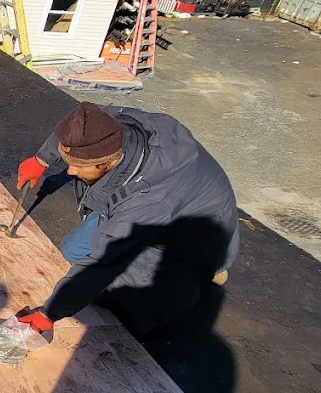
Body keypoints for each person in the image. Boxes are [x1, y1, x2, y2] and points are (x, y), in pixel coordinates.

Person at [13, 101, 238, 337]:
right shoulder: (109, 126)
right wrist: (41, 160)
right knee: (75, 248)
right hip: (170, 206)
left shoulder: (147, 200)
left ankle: (203, 275)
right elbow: (75, 128)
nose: (70, 172)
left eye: (79, 167)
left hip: (194, 240)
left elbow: (103, 263)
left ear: (108, 162)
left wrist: (50, 313)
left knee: (140, 309)